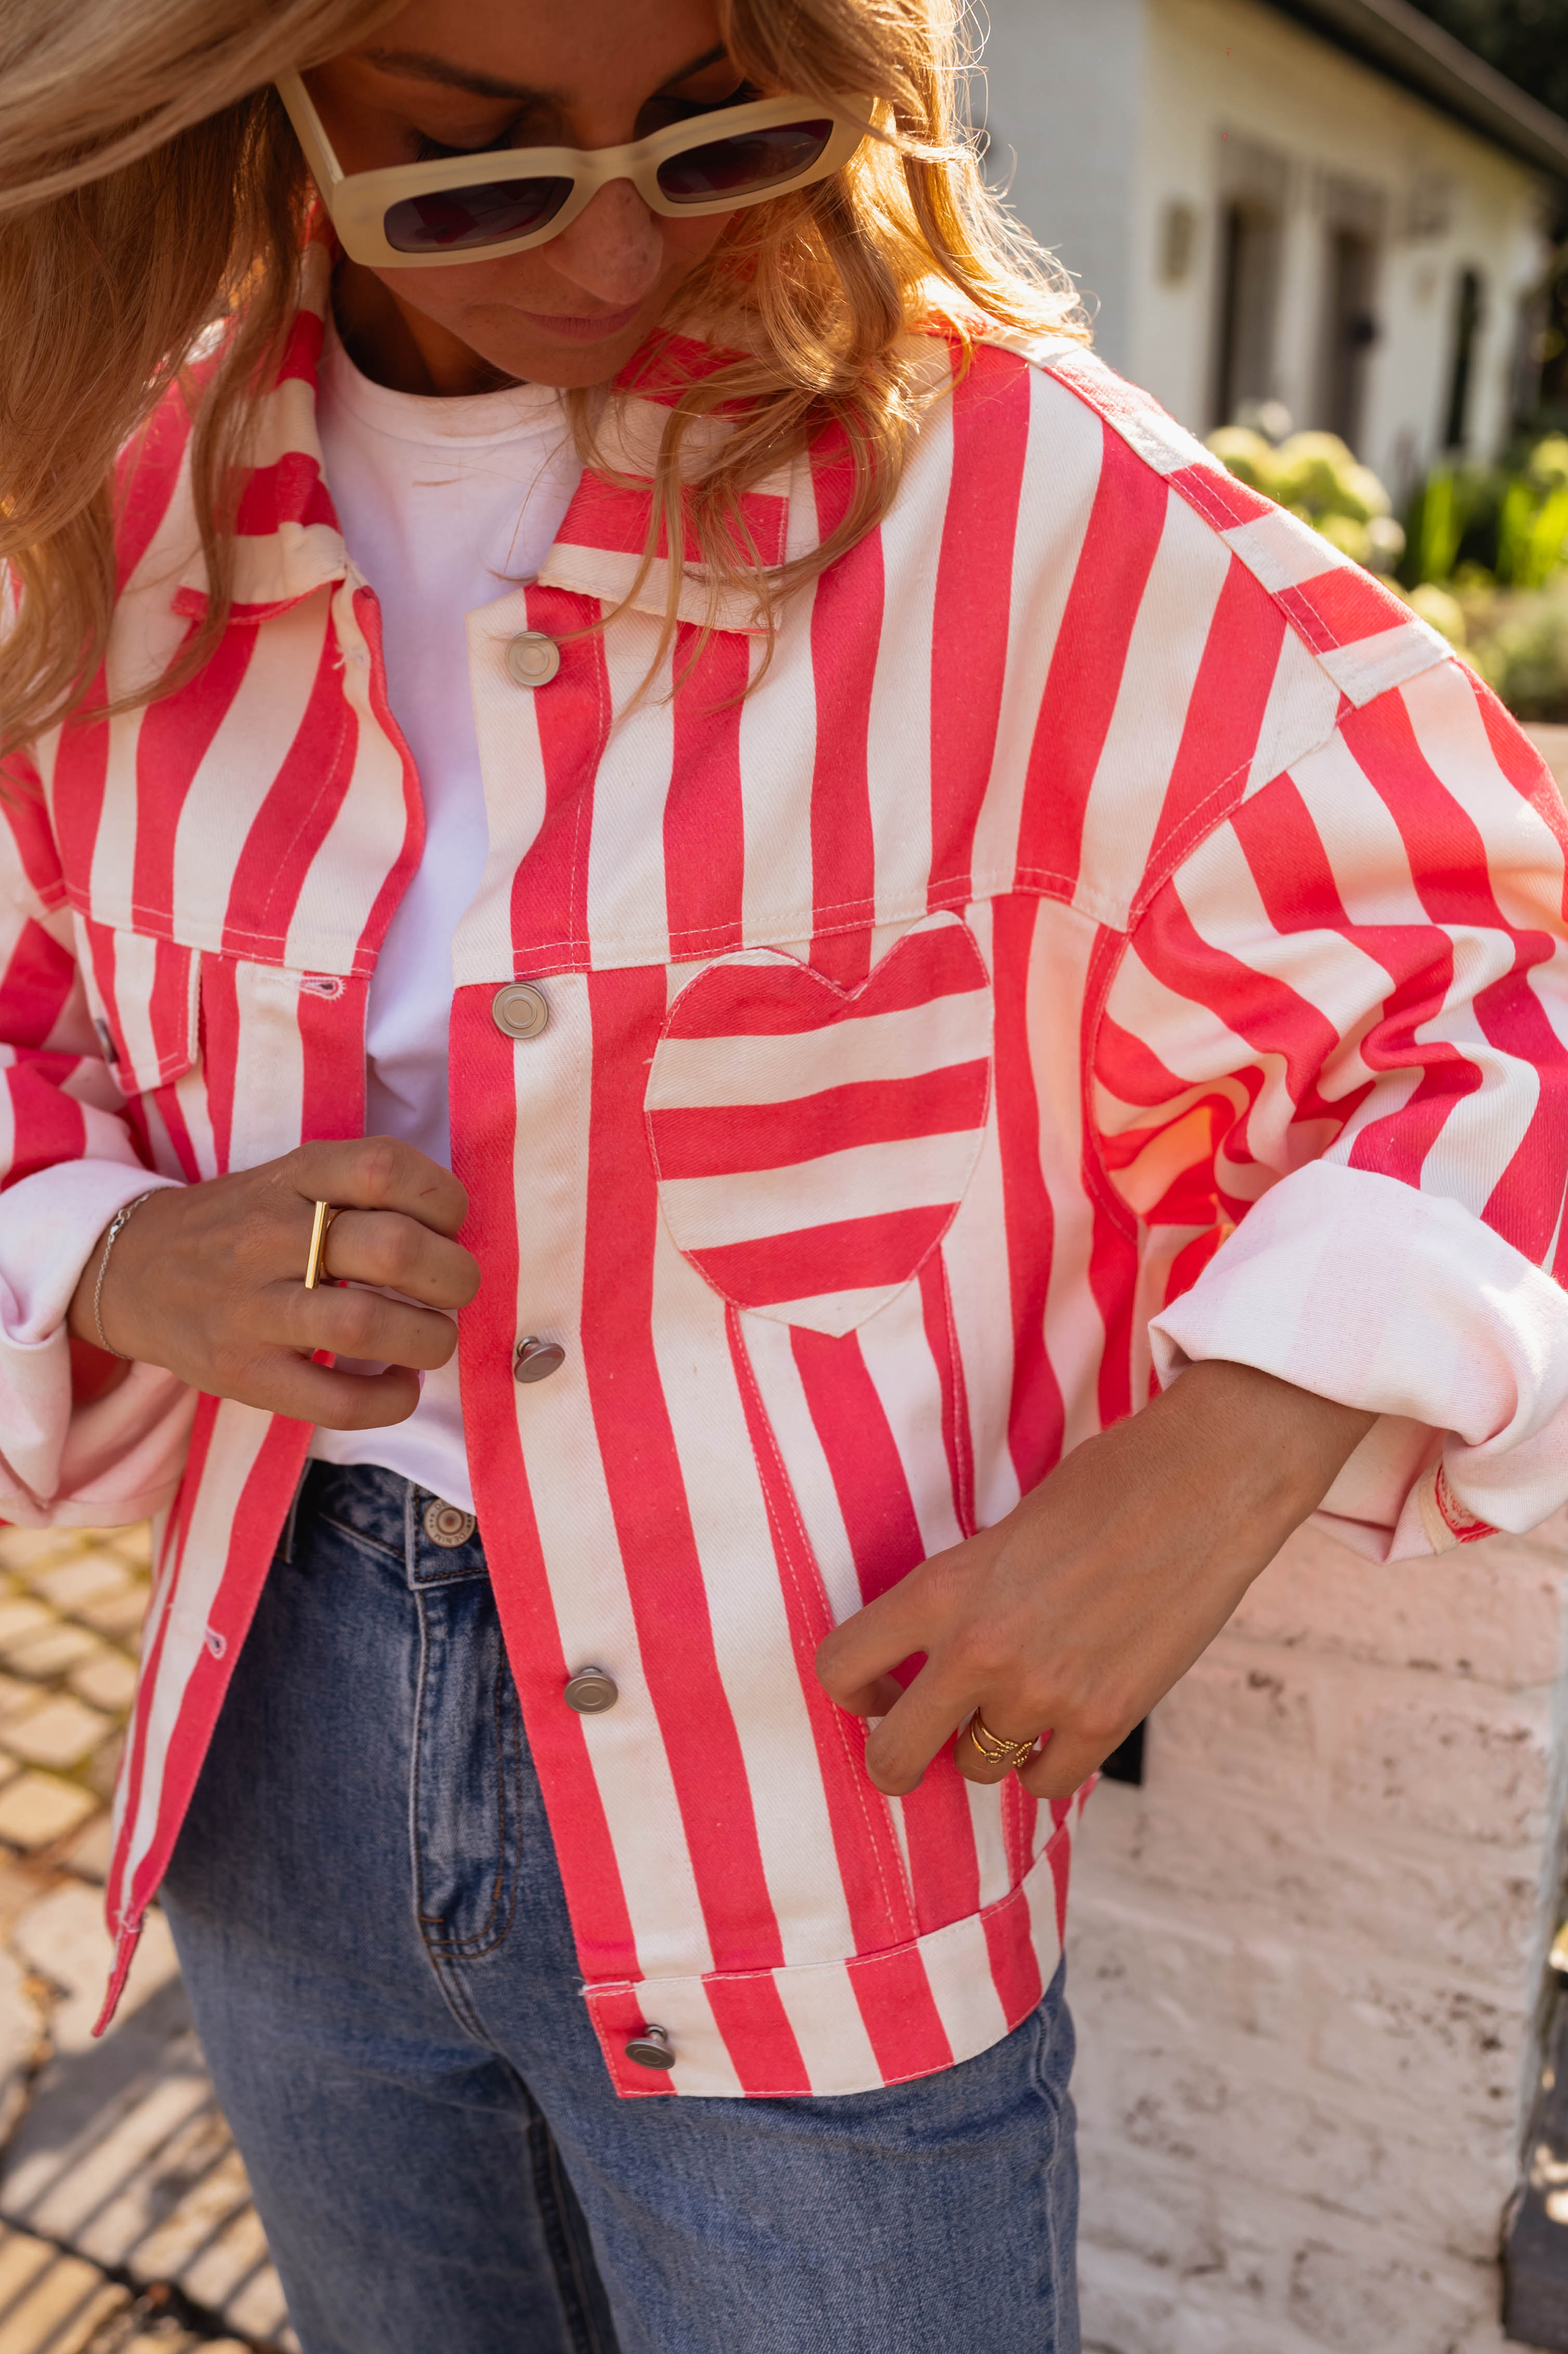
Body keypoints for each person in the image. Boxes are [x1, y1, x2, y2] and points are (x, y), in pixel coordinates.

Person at [2, 0, 1565, 2346]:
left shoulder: (1010, 501)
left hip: (820, 1788)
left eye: (719, 129)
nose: (623, 245)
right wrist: (107, 1251)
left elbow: (1490, 972)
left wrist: (1215, 1458)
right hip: (282, 1739)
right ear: (263, 97)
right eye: (478, 165)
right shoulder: (95, 520)